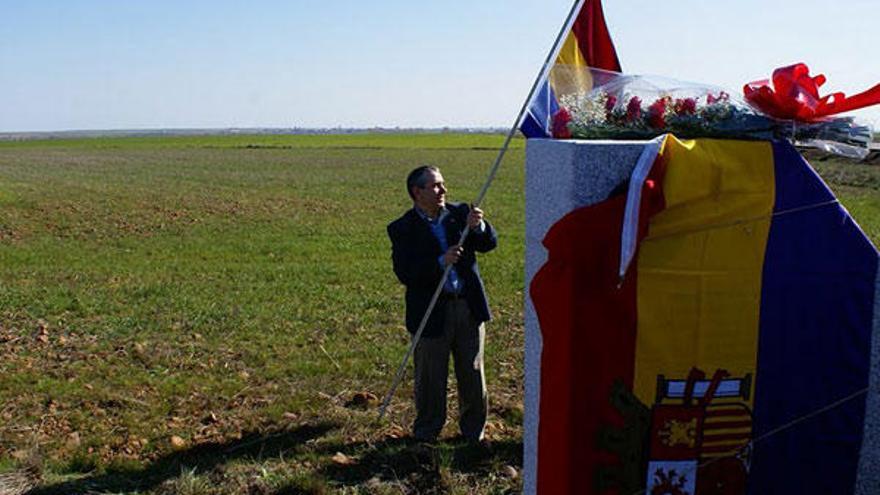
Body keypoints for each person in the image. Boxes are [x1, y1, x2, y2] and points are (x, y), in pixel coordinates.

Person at [387, 165, 498, 443]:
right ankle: (427, 432)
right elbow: (405, 272)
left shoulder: (460, 215)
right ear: (417, 192)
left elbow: (488, 244)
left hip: (468, 308)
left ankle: (473, 432)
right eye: (435, 186)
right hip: (431, 310)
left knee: (472, 373)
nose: (443, 190)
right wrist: (440, 263)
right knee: (430, 376)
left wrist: (479, 227)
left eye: (443, 184)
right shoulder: (402, 228)